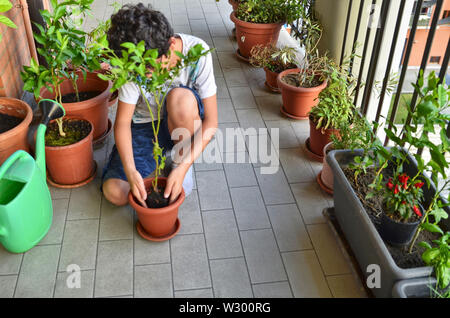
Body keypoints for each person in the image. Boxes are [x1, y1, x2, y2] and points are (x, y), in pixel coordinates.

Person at [101, 3, 218, 207]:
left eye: (150, 66)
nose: (146, 75)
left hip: (181, 120)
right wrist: (130, 171)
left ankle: (178, 160)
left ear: (171, 44)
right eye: (138, 69)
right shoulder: (133, 64)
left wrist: (182, 167)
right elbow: (122, 123)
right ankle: (155, 164)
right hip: (144, 126)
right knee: (115, 193)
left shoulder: (197, 53)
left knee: (180, 99)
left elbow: (212, 121)